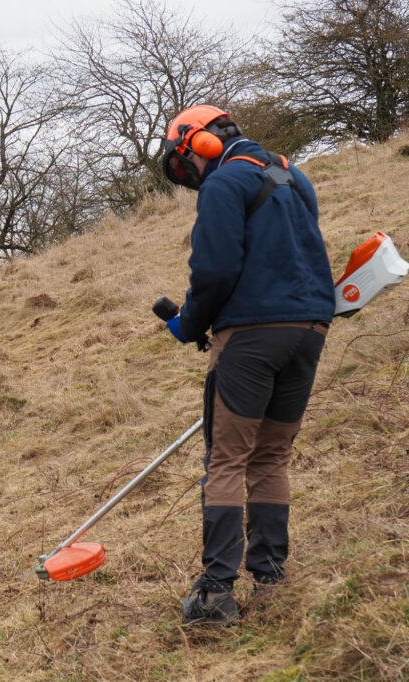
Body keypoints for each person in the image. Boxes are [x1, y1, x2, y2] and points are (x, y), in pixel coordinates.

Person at [160, 105, 334, 624]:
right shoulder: (291, 175)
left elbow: (212, 269)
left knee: (228, 459)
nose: (190, 178)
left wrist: (188, 324)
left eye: (183, 165)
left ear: (200, 144)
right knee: (272, 456)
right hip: (311, 330)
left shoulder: (223, 183)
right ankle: (271, 578)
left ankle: (216, 593)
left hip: (252, 337)